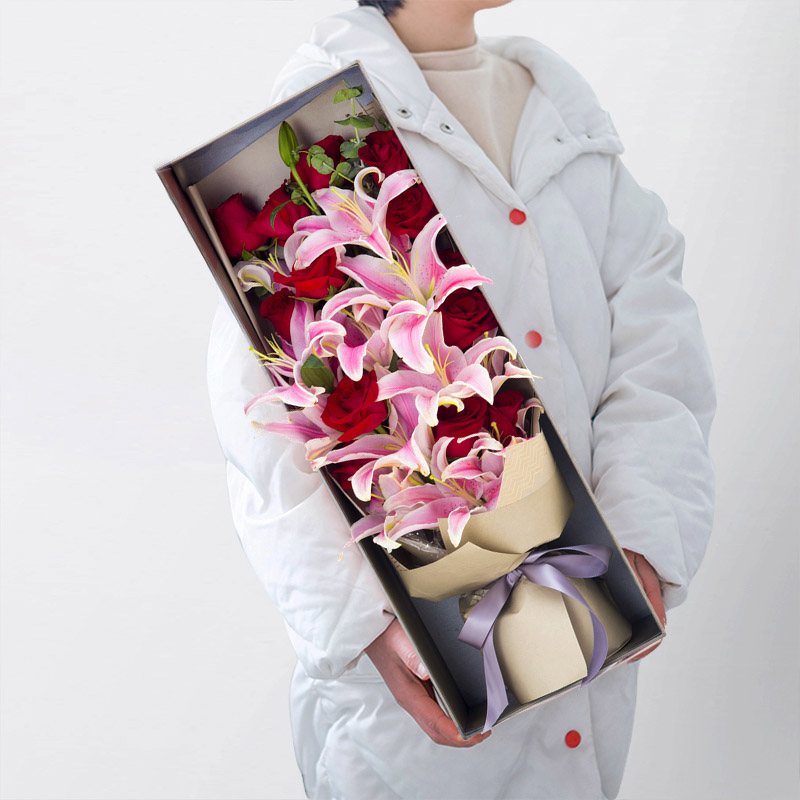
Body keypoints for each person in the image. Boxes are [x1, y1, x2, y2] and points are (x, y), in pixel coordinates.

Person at [205, 1, 717, 797]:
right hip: (419, 687)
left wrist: (646, 533)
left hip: (587, 630)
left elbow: (658, 347)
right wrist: (367, 628)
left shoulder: (562, 117)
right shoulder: (312, 136)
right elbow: (265, 422)